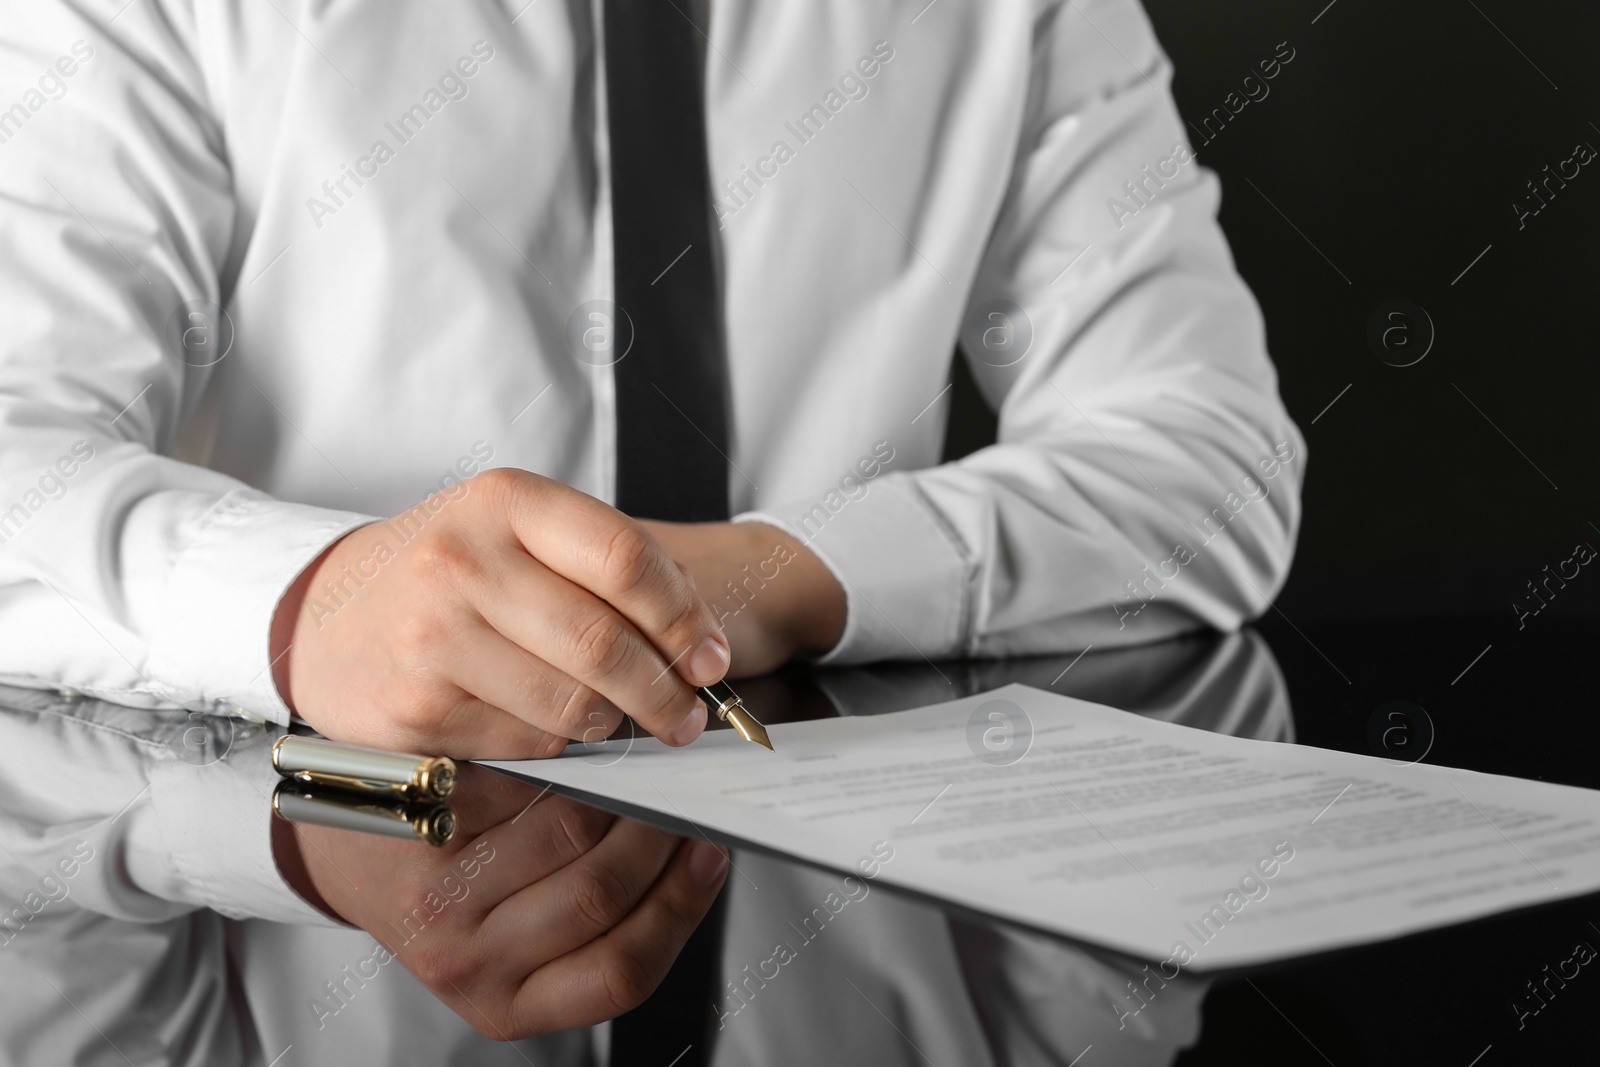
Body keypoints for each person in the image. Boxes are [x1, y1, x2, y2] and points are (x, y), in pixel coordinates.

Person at [0, 0, 1303, 1058]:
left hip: (807, 861)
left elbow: (1210, 463)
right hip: (308, 838)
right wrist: (310, 603)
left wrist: (777, 575)